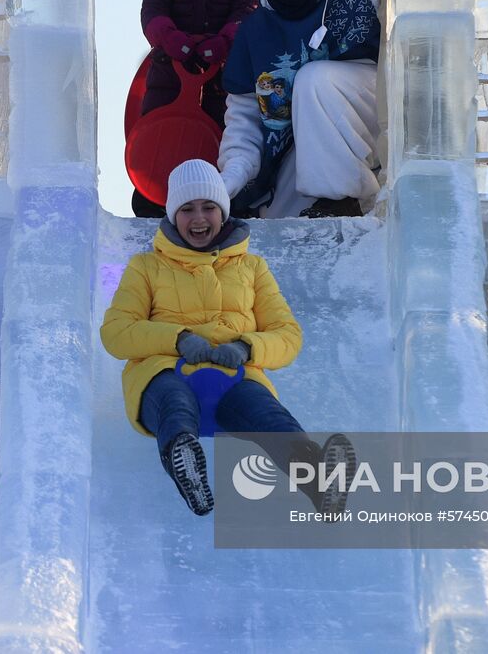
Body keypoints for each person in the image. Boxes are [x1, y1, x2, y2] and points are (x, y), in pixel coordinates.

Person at [101, 159, 355, 516]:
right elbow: (116, 332)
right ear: (174, 216)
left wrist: (246, 346)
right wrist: (178, 340)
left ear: (223, 212)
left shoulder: (252, 267)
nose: (199, 218)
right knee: (174, 405)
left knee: (268, 417)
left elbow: (287, 335)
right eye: (187, 209)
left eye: (209, 207)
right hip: (164, 371)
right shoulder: (146, 267)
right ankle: (185, 464)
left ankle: (318, 482)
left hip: (235, 375)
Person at [218, 0, 382, 219]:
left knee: (313, 79)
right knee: (283, 224)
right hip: (308, 142)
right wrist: (230, 180)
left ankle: (341, 200)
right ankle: (327, 216)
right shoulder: (255, 33)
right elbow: (244, 122)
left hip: (380, 111)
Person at [132, 0, 260, 216]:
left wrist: (224, 42)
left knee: (219, 135)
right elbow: (153, 7)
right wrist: (173, 41)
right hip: (170, 73)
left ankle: (220, 201)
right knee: (164, 132)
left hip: (222, 74)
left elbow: (247, 5)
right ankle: (155, 197)